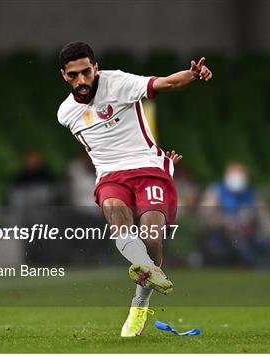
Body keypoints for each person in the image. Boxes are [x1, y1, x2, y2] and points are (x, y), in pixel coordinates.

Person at [57, 42, 212, 337]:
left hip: (149, 168)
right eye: (74, 75)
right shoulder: (65, 113)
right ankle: (148, 271)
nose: (82, 80)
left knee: (152, 235)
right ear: (64, 75)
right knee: (117, 213)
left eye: (86, 72)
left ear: (96, 68)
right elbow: (101, 144)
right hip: (110, 176)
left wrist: (192, 76)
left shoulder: (118, 82)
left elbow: (165, 83)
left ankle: (139, 303)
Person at [199, 162, 270, 267]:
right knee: (241, 246)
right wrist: (226, 222)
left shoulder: (252, 194)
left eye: (240, 175)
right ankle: (263, 267)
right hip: (226, 236)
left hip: (251, 234)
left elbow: (266, 217)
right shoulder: (215, 191)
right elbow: (206, 215)